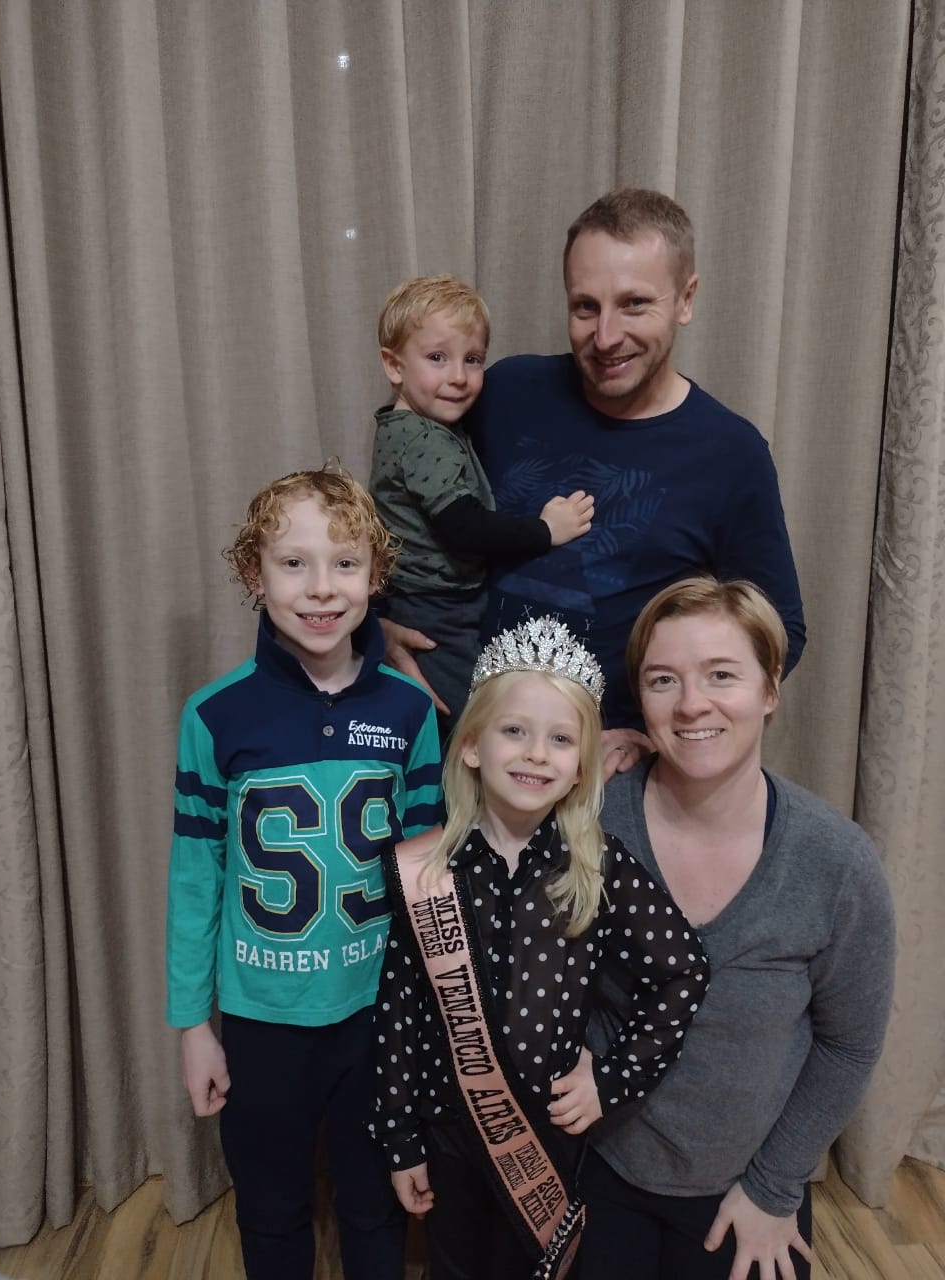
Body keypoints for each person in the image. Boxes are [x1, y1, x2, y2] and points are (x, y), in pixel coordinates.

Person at [380, 189, 806, 767]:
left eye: (634, 304)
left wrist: (661, 730)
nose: (606, 337)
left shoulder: (730, 453)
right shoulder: (505, 391)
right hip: (464, 748)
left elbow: (778, 630)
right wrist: (375, 628)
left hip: (599, 773)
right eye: (585, 307)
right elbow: (397, 502)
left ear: (686, 299)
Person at [165, 467, 443, 1280]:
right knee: (271, 1209)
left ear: (375, 575)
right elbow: (195, 876)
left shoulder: (409, 711)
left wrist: (431, 1018)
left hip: (377, 1014)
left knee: (374, 1206)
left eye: (345, 563)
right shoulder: (215, 715)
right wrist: (192, 1027)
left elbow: (427, 875)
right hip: (261, 1019)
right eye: (293, 563)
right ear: (254, 576)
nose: (321, 588)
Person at [371, 615, 709, 1279]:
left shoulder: (597, 866)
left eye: (560, 739)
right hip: (447, 1131)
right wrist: (400, 1139)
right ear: (472, 746)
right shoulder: (425, 869)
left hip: (549, 1138)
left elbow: (684, 972)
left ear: (581, 766)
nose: (535, 754)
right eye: (514, 731)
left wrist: (611, 1079)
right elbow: (401, 1009)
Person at [581, 577, 895, 1280]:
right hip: (601, 1170)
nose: (692, 704)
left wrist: (774, 1189)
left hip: (748, 1196)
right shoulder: (591, 823)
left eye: (721, 675)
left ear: (770, 688)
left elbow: (849, 1044)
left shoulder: (835, 862)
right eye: (663, 680)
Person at [370, 274, 594, 734]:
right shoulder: (422, 439)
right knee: (464, 724)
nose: (458, 377)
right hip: (433, 611)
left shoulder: (411, 427)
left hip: (429, 604)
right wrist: (546, 530)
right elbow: (465, 529)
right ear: (394, 366)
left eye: (472, 360)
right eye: (437, 358)